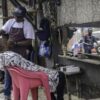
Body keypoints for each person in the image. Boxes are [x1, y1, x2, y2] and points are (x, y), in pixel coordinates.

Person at [0, 6, 35, 100]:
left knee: (19, 75)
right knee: (8, 73)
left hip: (21, 53)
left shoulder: (28, 25)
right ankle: (7, 96)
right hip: (10, 52)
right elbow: (3, 31)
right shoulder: (10, 22)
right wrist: (4, 37)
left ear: (23, 17)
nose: (16, 18)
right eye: (15, 16)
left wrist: (15, 43)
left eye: (18, 17)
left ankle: (19, 96)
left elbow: (29, 42)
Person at [0, 51, 66, 100]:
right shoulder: (17, 61)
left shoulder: (10, 65)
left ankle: (53, 96)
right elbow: (33, 68)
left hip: (33, 73)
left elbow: (32, 67)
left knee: (55, 76)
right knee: (60, 75)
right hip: (36, 76)